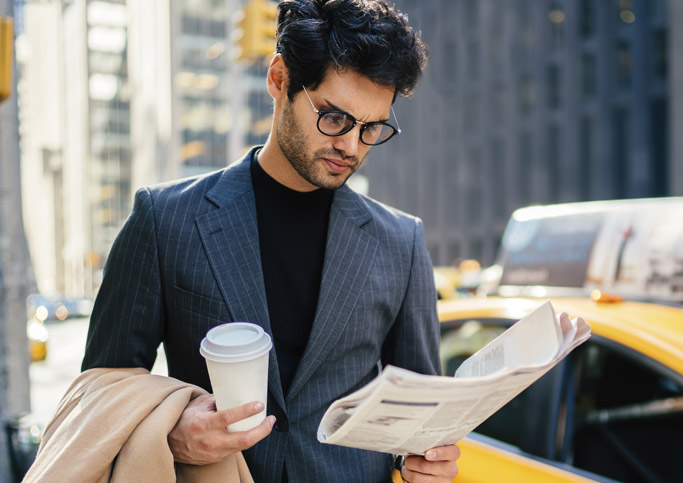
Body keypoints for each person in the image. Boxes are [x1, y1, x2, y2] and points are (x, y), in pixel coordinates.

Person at [81, 0, 460, 481]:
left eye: (372, 128)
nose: (352, 145)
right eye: (335, 117)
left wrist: (424, 458)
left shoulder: (401, 241)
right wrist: (174, 430)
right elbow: (102, 387)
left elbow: (418, 406)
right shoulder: (165, 219)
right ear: (279, 79)